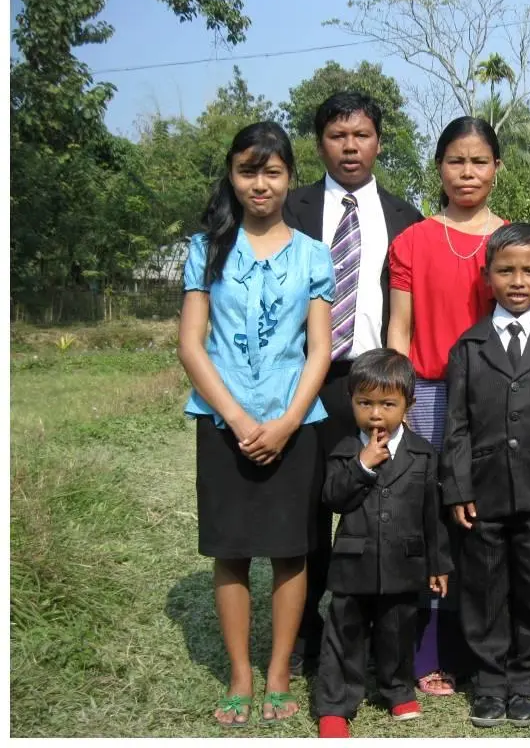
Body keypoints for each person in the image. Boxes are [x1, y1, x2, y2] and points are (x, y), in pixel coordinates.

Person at [178, 121, 334, 726]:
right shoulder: (206, 249)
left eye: (272, 172)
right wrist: (239, 418)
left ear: (290, 177)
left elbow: (319, 349)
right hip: (223, 423)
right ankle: (240, 675)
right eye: (248, 171)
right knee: (232, 551)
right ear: (232, 175)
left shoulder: (313, 254)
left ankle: (279, 672)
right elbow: (192, 346)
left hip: (295, 424)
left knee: (292, 551)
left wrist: (289, 422)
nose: (260, 184)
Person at [283, 92, 424, 676]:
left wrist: (399, 392)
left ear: (379, 143)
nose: (350, 146)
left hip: (373, 383)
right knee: (306, 509)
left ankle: (373, 631)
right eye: (337, 136)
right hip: (302, 379)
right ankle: (305, 633)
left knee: (374, 508)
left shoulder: (406, 218)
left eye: (361, 135)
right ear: (320, 144)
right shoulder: (290, 208)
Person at [441, 223, 530, 728]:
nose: (517, 281)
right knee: (483, 587)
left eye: (529, 271)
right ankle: (489, 680)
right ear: (487, 277)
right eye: (505, 271)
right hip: (483, 494)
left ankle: (527, 680)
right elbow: (456, 426)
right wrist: (457, 486)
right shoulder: (469, 346)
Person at [387, 116, 506, 696]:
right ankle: (426, 650)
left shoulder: (512, 242)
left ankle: (478, 649)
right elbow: (399, 329)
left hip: (492, 398)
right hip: (428, 396)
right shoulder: (411, 241)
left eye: (479, 161)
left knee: (480, 522)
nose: (467, 172)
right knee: (429, 521)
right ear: (439, 168)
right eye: (456, 161)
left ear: (496, 168)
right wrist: (397, 401)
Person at [315, 349, 453, 738]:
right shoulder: (345, 450)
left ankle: (397, 690)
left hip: (403, 563)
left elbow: (432, 515)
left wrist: (438, 564)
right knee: (345, 635)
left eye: (387, 404)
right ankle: (335, 705)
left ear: (408, 404)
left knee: (398, 632)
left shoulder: (423, 454)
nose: (376, 414)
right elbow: (333, 498)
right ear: (351, 401)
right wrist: (362, 465)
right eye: (365, 403)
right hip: (353, 565)